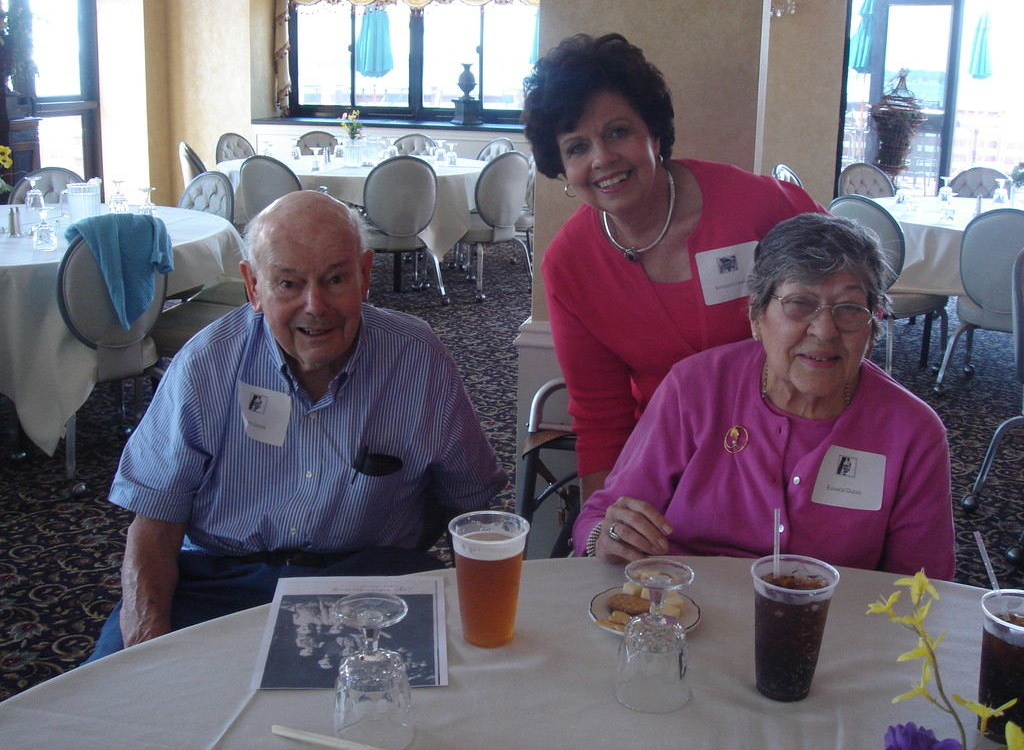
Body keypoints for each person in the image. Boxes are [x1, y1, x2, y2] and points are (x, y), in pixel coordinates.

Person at [87, 191, 507, 660]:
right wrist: (146, 648)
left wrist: (476, 621)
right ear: (253, 286)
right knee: (119, 709)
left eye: (336, 279)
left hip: (369, 581)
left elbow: (467, 501)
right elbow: (154, 522)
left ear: (365, 275)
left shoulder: (415, 357)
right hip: (220, 581)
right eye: (288, 283)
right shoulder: (208, 364)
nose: (316, 306)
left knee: (413, 713)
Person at [521, 33, 827, 502]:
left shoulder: (756, 206)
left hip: (799, 445)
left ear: (655, 136)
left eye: (618, 131)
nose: (602, 158)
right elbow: (602, 419)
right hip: (676, 464)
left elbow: (851, 295)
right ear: (561, 167)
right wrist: (602, 524)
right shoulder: (570, 265)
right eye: (577, 147)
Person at [572, 212, 955, 580]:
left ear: (873, 327)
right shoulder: (696, 388)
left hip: (829, 630)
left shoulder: (911, 432)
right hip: (686, 613)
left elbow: (922, 586)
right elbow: (601, 517)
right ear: (757, 316)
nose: (824, 330)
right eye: (799, 304)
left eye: (849, 309)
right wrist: (605, 539)